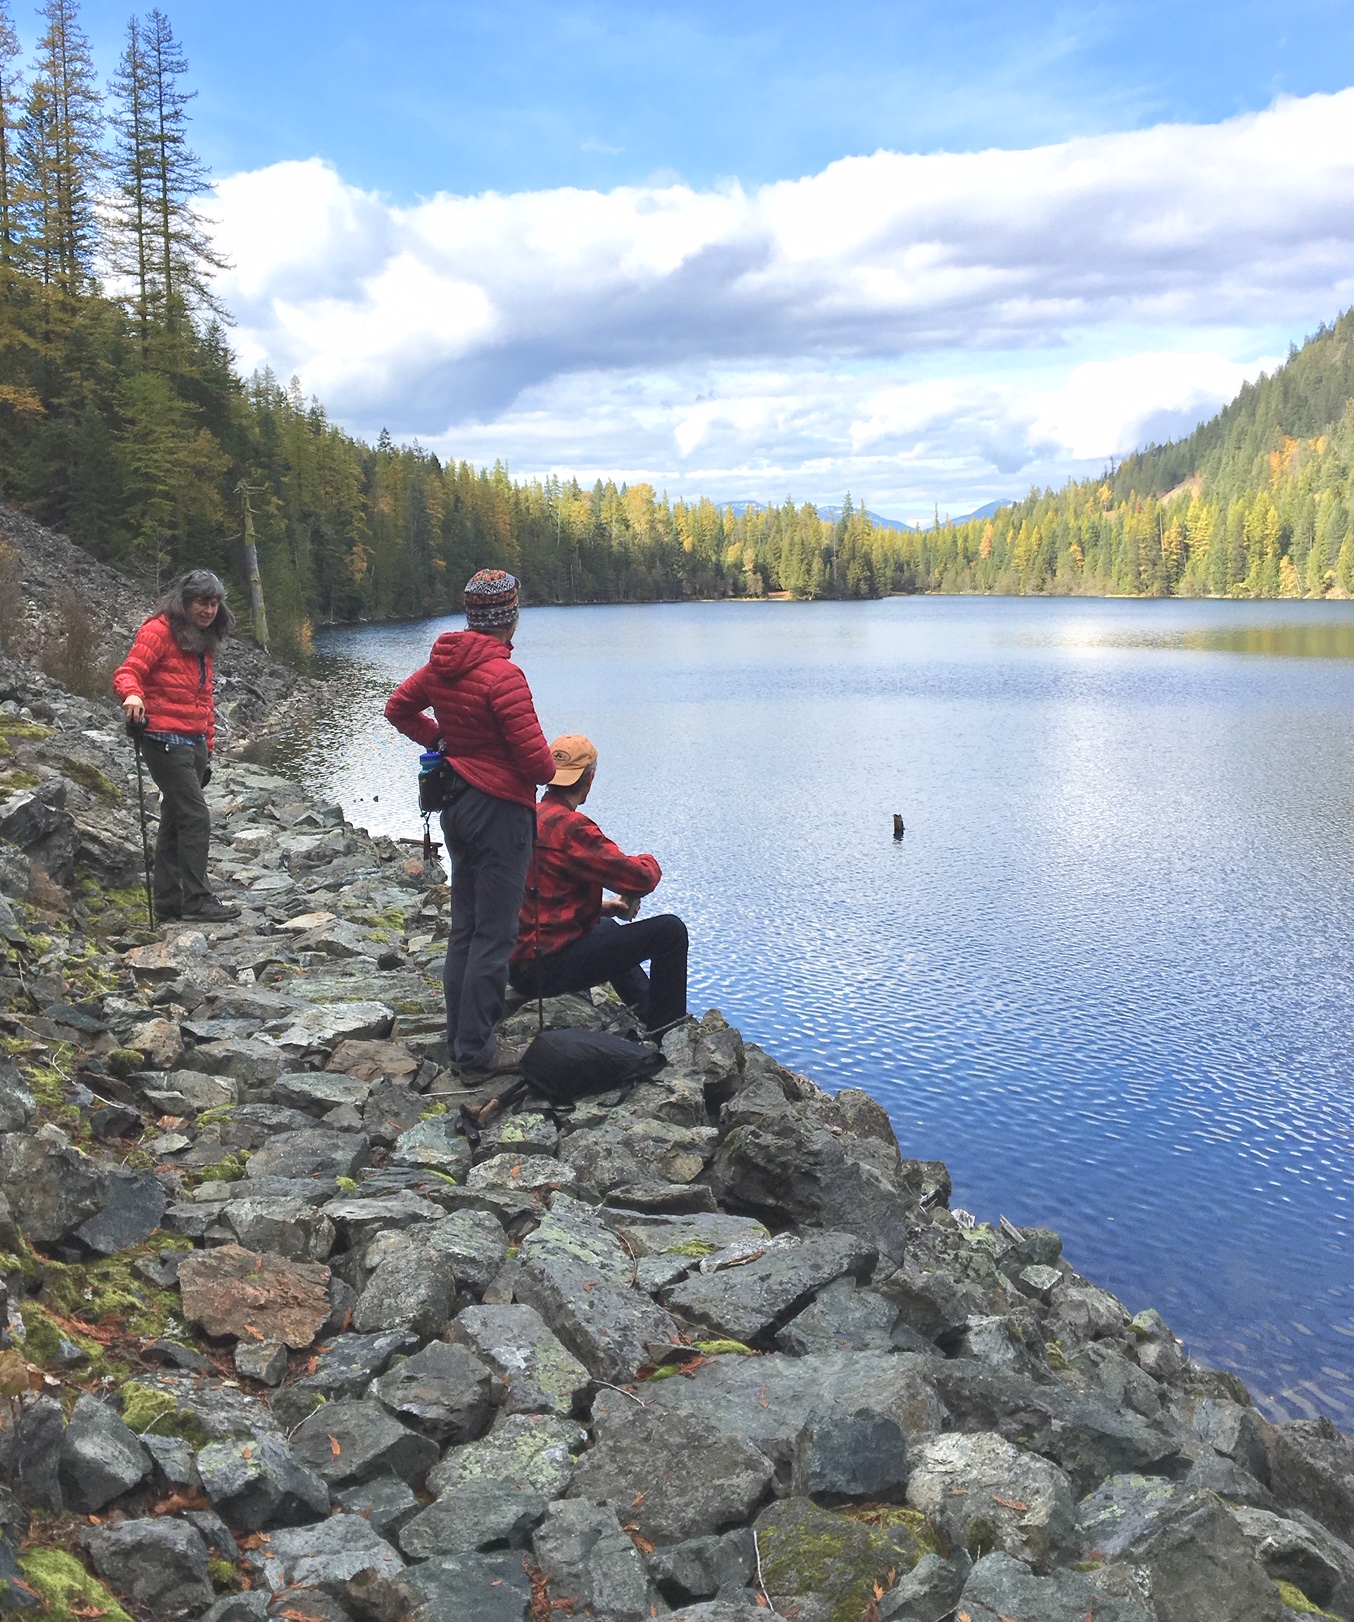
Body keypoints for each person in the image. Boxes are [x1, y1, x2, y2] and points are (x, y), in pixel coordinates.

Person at [385, 569, 556, 1075]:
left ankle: (460, 1034)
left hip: (457, 805)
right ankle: (478, 1050)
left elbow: (399, 708)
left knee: (466, 927)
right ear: (510, 617)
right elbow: (539, 766)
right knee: (496, 934)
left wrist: (445, 743)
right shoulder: (504, 676)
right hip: (500, 811)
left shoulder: (444, 664)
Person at [510, 734, 688, 1035]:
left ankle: (646, 1009)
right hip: (545, 970)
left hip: (518, 964)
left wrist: (604, 908)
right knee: (670, 931)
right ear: (589, 779)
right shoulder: (572, 827)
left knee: (606, 927)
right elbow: (641, 878)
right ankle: (667, 1032)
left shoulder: (529, 815)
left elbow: (540, 895)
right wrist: (649, 858)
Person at [112, 570, 240, 923]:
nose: (209, 610)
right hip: (163, 740)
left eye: (214, 603)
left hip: (193, 743)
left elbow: (203, 696)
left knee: (174, 820)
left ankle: (169, 901)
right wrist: (133, 694)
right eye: (202, 602)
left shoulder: (203, 637)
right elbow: (128, 671)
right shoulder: (158, 631)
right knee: (196, 817)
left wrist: (208, 746)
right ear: (185, 603)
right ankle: (198, 900)